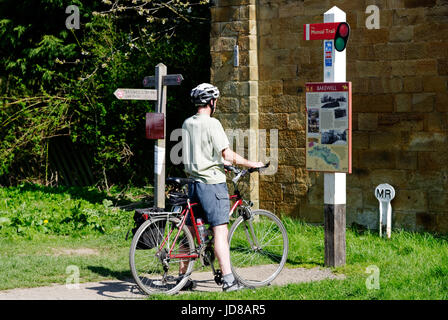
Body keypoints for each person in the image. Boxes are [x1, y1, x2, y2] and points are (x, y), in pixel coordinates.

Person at [180, 83, 264, 292]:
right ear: (211, 102)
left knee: (190, 231)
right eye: (215, 100)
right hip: (212, 184)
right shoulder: (212, 123)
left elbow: (202, 151)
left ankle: (182, 278)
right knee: (220, 231)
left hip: (193, 183)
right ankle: (228, 280)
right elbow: (227, 154)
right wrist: (252, 163)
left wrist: (219, 162)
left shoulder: (187, 123)